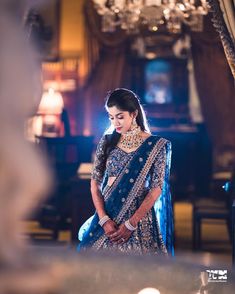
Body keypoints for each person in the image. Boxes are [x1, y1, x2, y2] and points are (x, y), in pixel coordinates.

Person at [78, 88, 174, 256]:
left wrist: (131, 224)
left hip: (140, 222)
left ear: (134, 114)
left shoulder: (156, 146)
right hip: (108, 219)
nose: (115, 123)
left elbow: (156, 189)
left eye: (120, 117)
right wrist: (104, 220)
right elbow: (95, 183)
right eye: (111, 117)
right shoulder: (107, 142)